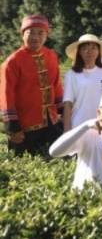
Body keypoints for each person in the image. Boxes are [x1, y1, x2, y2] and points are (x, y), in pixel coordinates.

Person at [0, 15, 64, 157]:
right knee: (24, 169)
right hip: (24, 127)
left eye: (40, 33)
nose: (35, 37)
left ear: (46, 35)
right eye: (30, 32)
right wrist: (12, 127)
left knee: (55, 163)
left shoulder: (51, 56)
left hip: (51, 124)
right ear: (23, 34)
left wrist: (62, 111)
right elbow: (6, 95)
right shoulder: (12, 62)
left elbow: (57, 84)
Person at [62, 34, 102, 132]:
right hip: (78, 125)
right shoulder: (71, 74)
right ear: (79, 52)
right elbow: (68, 104)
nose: (89, 52)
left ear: (98, 51)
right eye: (84, 48)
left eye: (93, 48)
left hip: (101, 124)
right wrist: (66, 130)